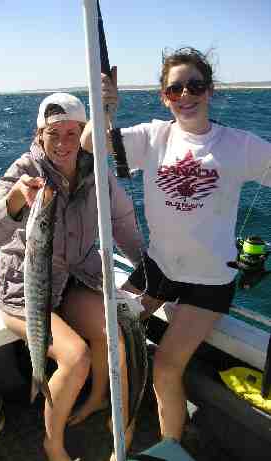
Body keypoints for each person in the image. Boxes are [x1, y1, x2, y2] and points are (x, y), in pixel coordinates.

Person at [81, 47, 271, 444]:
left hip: (209, 281)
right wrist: (101, 107)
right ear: (163, 96)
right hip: (158, 267)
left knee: (167, 368)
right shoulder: (152, 137)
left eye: (195, 85)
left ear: (211, 90)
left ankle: (170, 448)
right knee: (111, 339)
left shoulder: (240, 145)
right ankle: (123, 434)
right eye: (175, 89)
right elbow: (89, 145)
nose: (186, 95)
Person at [0, 92, 144, 461]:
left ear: (85, 133)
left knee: (112, 335)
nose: (64, 142)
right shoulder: (22, 171)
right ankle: (52, 445)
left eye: (74, 132)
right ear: (39, 135)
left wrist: (147, 267)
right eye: (54, 133)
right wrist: (16, 200)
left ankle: (100, 400)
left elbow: (122, 224)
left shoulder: (95, 171)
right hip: (25, 290)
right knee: (75, 356)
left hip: (74, 280)